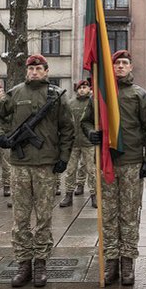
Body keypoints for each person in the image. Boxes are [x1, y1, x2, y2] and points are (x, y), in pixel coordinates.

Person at [0, 54, 74, 287]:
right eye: (31, 68)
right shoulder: (16, 93)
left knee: (44, 216)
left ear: (46, 71)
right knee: (20, 217)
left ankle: (41, 264)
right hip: (20, 165)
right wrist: (0, 136)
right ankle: (23, 262)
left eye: (39, 68)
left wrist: (64, 158)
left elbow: (68, 129)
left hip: (46, 165)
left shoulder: (56, 96)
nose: (35, 72)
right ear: (27, 71)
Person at [82, 50, 146, 286]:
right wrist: (91, 134)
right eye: (117, 63)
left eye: (125, 63)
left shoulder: (140, 95)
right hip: (107, 163)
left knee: (128, 215)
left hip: (131, 163)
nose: (120, 66)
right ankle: (111, 261)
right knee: (108, 216)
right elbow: (86, 120)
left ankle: (128, 262)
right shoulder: (100, 95)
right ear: (111, 67)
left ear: (131, 67)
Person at [60, 80, 96, 209]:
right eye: (80, 88)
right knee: (70, 170)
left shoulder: (93, 103)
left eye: (85, 87)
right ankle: (68, 194)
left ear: (89, 89)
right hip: (73, 143)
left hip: (88, 143)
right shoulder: (70, 103)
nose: (82, 90)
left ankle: (94, 195)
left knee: (91, 171)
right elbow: (65, 122)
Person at [0, 82, 12, 198]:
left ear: (3, 93)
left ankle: (7, 186)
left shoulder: (7, 105)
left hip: (4, 136)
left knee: (6, 163)